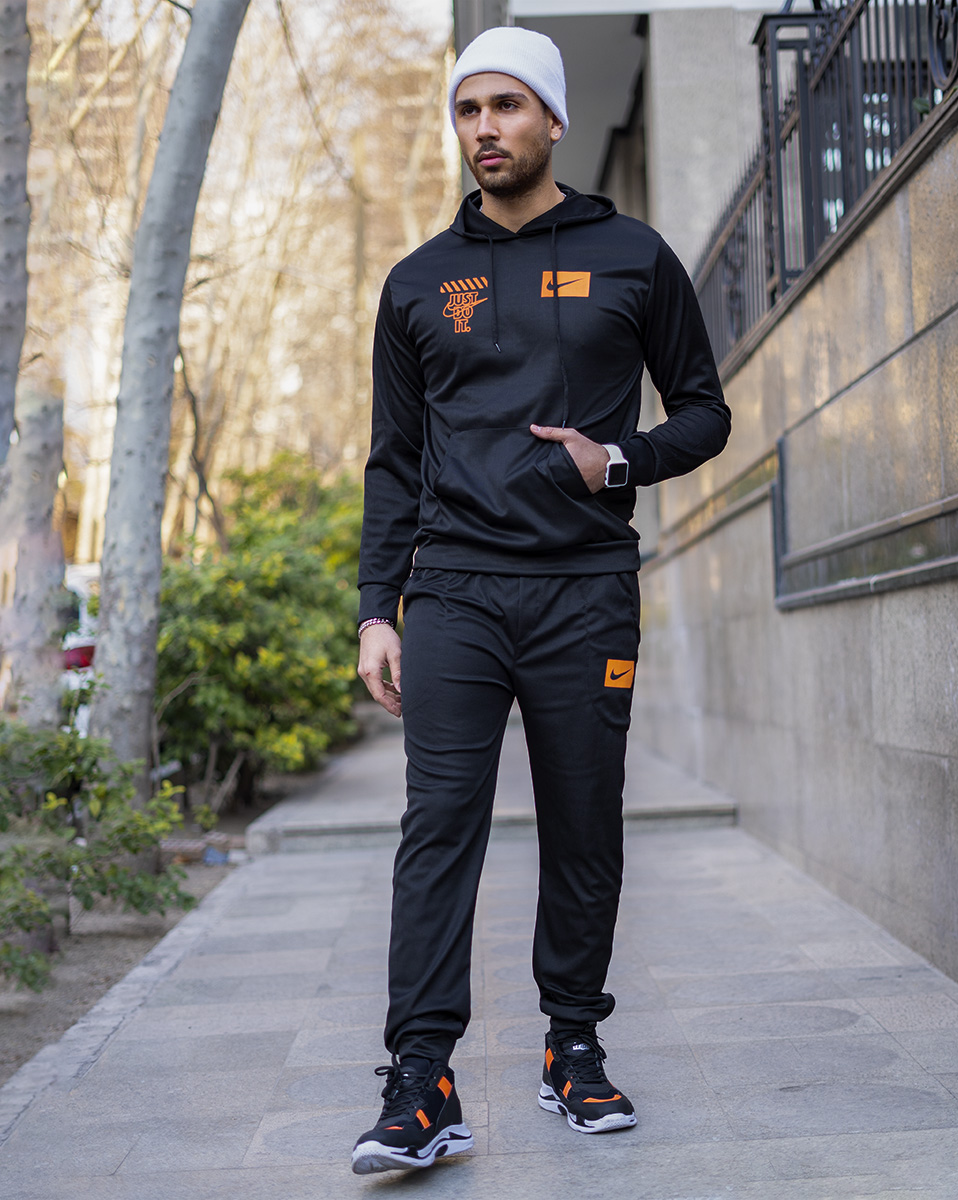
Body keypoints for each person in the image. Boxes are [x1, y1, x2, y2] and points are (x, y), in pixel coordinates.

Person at [350, 25, 730, 1175]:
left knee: (582, 819)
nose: (485, 129)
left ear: (553, 119)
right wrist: (376, 609)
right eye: (468, 110)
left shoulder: (634, 257)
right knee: (438, 828)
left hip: (585, 590)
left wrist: (620, 463)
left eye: (507, 106)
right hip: (454, 591)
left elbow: (703, 412)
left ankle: (573, 1046)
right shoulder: (418, 282)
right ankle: (421, 1078)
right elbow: (392, 462)